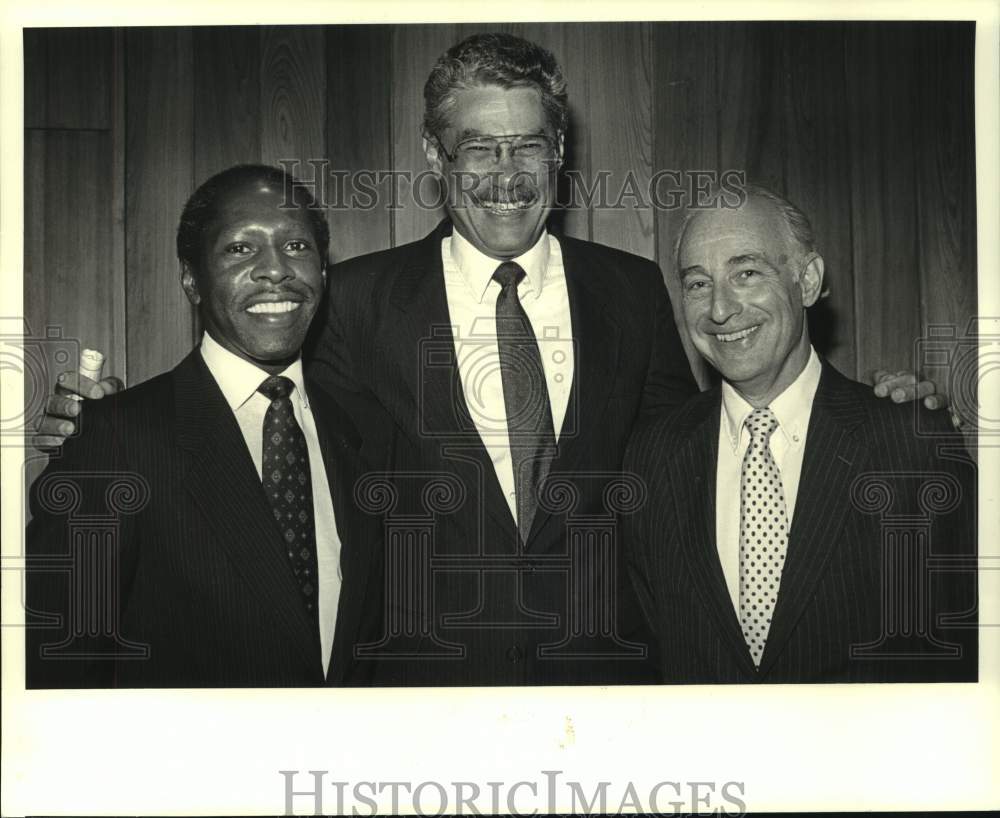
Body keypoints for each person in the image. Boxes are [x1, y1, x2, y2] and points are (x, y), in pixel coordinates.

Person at [32, 34, 944, 686]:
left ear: (561, 152)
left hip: (612, 690)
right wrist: (112, 416)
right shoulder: (354, 298)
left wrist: (865, 413)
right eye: (478, 147)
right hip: (421, 694)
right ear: (436, 156)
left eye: (528, 145)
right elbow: (271, 414)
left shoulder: (631, 289)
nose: (506, 174)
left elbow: (696, 445)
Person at [25, 165, 388, 688]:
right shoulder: (116, 440)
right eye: (240, 249)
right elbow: (55, 664)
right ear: (190, 279)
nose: (275, 271)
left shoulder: (367, 431)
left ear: (324, 274)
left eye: (297, 246)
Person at [623, 186, 976, 683]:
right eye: (698, 284)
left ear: (807, 280)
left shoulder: (910, 444)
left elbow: (964, 658)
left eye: (746, 273)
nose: (720, 309)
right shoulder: (651, 457)